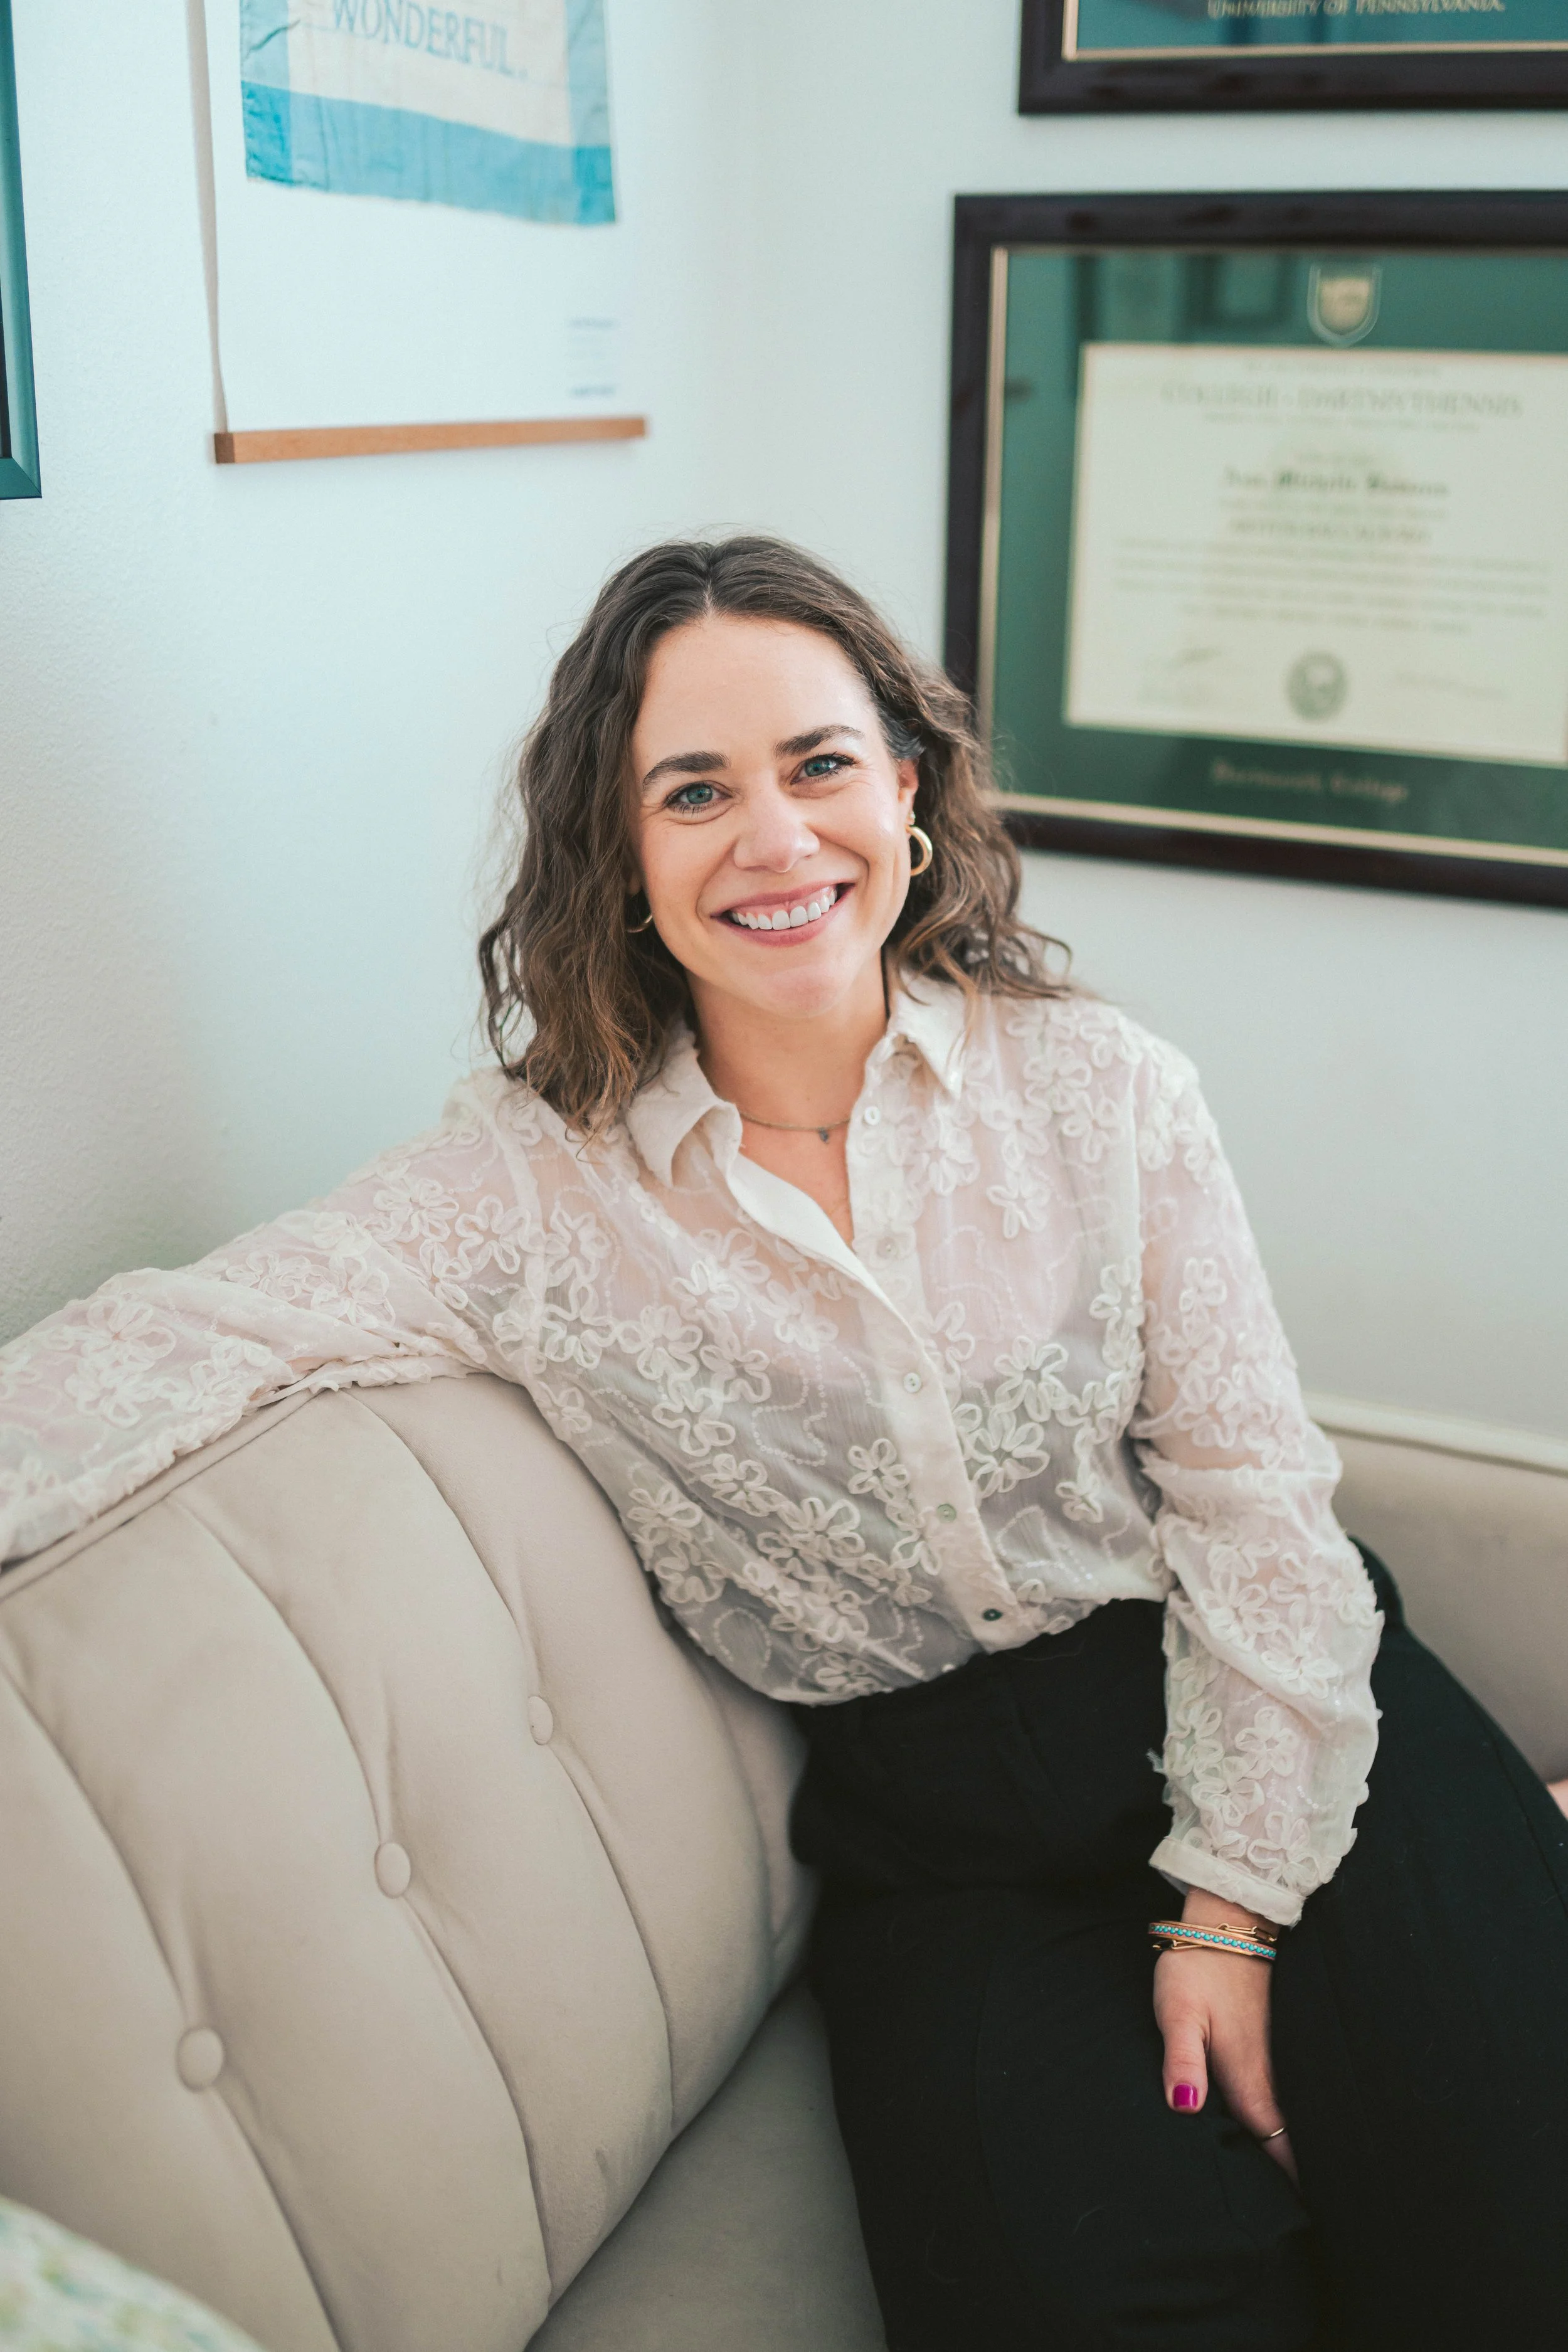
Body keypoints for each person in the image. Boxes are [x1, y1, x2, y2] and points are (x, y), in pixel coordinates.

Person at [3, 537, 1566, 2351]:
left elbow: (1253, 1499)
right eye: (693, 790)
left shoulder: (1103, 1089)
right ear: (619, 856)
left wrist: (1232, 1908)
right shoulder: (526, 1185)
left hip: (1255, 1691)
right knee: (1088, 2295)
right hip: (938, 1837)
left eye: (819, 764)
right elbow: (186, 1337)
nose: (774, 835)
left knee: (1510, 2220)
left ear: (906, 789)